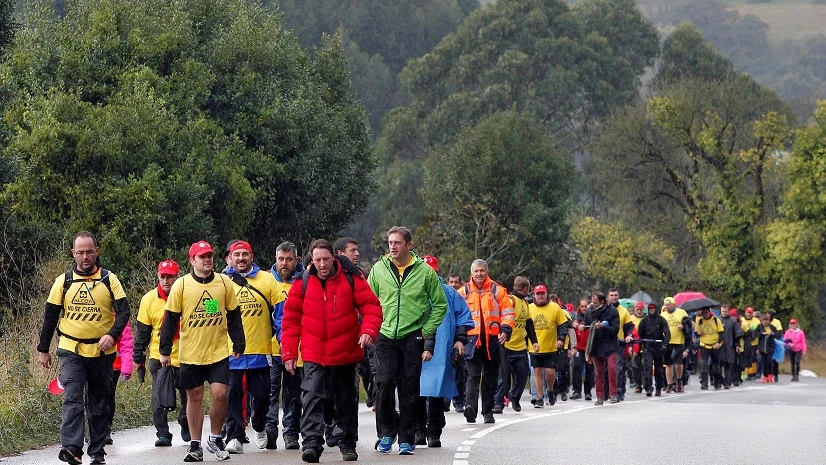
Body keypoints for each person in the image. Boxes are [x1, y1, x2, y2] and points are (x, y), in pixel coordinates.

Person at [281, 239, 383, 463]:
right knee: (312, 396)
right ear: (311, 260)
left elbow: (372, 307)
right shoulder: (302, 283)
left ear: (333, 258)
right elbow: (290, 322)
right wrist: (288, 353)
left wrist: (368, 331)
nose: (322, 264)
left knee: (345, 399)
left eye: (326, 259)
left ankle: (347, 443)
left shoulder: (351, 278)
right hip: (313, 352)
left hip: (345, 351)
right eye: (317, 260)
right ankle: (311, 443)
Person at [37, 231, 131, 465]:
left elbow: (124, 312)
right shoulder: (64, 281)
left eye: (89, 251)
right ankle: (72, 448)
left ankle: (97, 453)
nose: (85, 257)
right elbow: (50, 316)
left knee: (99, 403)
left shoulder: (110, 279)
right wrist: (43, 348)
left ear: (97, 251)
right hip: (71, 350)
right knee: (73, 398)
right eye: (80, 252)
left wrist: (112, 335)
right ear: (73, 253)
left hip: (102, 353)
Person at [159, 240, 246, 462]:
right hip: (191, 353)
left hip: (217, 351)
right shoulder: (182, 285)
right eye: (202, 256)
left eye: (209, 256)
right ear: (192, 261)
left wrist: (238, 342)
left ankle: (215, 438)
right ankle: (195, 445)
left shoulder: (223, 283)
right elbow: (170, 319)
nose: (207, 260)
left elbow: (233, 314)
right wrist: (165, 350)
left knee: (220, 394)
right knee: (194, 397)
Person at [367, 226, 447, 455]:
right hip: (385, 335)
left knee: (409, 388)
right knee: (383, 384)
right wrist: (371, 327)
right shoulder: (379, 269)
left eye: (397, 243)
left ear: (408, 245)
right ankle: (387, 432)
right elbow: (369, 301)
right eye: (390, 242)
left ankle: (406, 438)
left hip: (412, 336)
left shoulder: (424, 271)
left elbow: (440, 304)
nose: (392, 246)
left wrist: (426, 330)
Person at [223, 241, 283, 454]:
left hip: (261, 350)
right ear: (230, 257)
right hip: (231, 352)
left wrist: (283, 337)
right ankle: (234, 437)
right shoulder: (221, 282)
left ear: (252, 256)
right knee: (233, 395)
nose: (241, 258)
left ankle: (259, 427)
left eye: (245, 254)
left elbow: (280, 312)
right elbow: (213, 312)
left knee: (262, 394)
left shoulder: (267, 279)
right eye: (236, 254)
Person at [416, 255, 473, 448]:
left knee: (436, 391)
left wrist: (460, 340)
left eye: (431, 270)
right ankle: (418, 429)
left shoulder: (449, 293)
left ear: (436, 271)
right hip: (415, 347)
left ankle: (434, 431)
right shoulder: (412, 291)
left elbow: (462, 317)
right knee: (414, 389)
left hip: (442, 348)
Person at [133, 259, 189, 447]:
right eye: (163, 277)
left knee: (188, 395)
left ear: (177, 277)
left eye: (170, 277)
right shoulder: (148, 299)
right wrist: (138, 357)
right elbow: (142, 331)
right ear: (158, 276)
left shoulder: (188, 295)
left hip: (186, 355)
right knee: (158, 396)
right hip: (159, 356)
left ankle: (186, 423)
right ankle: (163, 433)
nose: (166, 281)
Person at [459, 259, 514, 423]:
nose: (479, 274)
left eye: (482, 270)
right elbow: (458, 315)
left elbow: (508, 312)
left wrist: (506, 329)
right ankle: (470, 408)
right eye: (476, 271)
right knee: (473, 375)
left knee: (490, 376)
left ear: (487, 272)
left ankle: (487, 411)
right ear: (471, 273)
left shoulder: (498, 290)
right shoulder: (464, 292)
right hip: (471, 340)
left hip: (493, 339)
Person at [270, 241, 305, 450]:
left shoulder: (304, 282)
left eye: (289, 259)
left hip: (297, 350)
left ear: (296, 260)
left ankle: (291, 433)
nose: (284, 263)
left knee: (293, 394)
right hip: (271, 349)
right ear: (276, 259)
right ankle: (269, 429)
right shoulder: (266, 281)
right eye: (281, 259)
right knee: (270, 391)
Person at [494, 276, 536, 412]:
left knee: (523, 374)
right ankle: (498, 403)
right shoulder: (511, 300)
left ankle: (514, 397)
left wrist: (534, 341)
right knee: (503, 377)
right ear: (526, 288)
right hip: (506, 345)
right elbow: (501, 317)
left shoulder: (525, 303)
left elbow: (529, 324)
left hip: (521, 347)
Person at [527, 285, 570, 407]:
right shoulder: (529, 308)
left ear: (546, 294)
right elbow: (524, 326)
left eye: (542, 293)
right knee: (537, 370)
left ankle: (550, 390)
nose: (540, 296)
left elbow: (563, 325)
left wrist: (561, 339)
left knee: (550, 372)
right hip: (534, 347)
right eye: (538, 293)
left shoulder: (555, 308)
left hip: (551, 346)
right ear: (534, 295)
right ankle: (540, 397)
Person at [582, 293, 620, 405]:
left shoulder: (612, 311)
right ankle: (600, 396)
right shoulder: (589, 312)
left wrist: (604, 327)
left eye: (595, 303)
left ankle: (613, 394)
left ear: (602, 302)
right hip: (596, 345)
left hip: (610, 344)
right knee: (598, 372)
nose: (592, 305)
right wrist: (581, 325)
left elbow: (615, 329)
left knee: (611, 368)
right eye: (592, 302)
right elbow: (586, 322)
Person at [637, 302, 669, 396]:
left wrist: (664, 345)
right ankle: (648, 387)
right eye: (650, 308)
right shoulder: (644, 320)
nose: (652, 310)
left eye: (653, 308)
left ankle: (658, 387)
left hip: (658, 346)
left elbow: (667, 333)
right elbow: (640, 333)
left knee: (659, 368)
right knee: (648, 367)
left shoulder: (661, 320)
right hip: (648, 346)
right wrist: (643, 344)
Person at [608, 289, 633, 401]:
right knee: (607, 368)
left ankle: (619, 390)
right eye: (612, 295)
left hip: (619, 342)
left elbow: (629, 326)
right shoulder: (605, 310)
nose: (614, 297)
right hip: (606, 342)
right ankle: (607, 391)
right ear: (608, 297)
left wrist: (629, 335)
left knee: (619, 368)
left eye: (616, 295)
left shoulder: (623, 311)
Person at [661, 297, 690, 393]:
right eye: (665, 305)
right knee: (668, 364)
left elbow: (689, 325)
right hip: (667, 342)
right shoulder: (663, 315)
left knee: (678, 364)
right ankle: (669, 384)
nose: (667, 307)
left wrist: (683, 326)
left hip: (678, 342)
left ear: (674, 305)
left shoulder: (682, 313)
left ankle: (678, 380)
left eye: (668, 305)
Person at [695, 307, 724, 390]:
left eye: (706, 313)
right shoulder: (700, 321)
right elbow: (696, 333)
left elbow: (721, 333)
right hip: (704, 345)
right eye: (703, 313)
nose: (705, 314)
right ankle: (704, 383)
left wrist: (719, 343)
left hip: (714, 345)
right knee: (703, 364)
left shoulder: (715, 320)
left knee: (715, 365)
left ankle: (716, 382)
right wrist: (698, 333)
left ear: (709, 312)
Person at [570, 299, 594, 401]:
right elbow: (571, 332)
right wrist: (573, 346)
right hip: (578, 347)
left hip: (589, 348)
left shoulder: (592, 316)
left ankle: (588, 392)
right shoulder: (575, 317)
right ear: (579, 307)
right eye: (582, 306)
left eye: (586, 306)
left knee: (589, 369)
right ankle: (577, 391)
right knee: (576, 367)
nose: (584, 308)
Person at [718, 305, 744, 389]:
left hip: (729, 346)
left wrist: (738, 345)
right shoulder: (717, 320)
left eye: (726, 311)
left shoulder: (733, 322)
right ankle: (719, 381)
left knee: (728, 365)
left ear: (728, 311)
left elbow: (738, 334)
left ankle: (727, 382)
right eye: (723, 311)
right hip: (718, 346)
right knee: (716, 365)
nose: (724, 313)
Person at [628, 302, 646, 394]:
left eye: (641, 310)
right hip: (634, 344)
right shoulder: (631, 319)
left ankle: (646, 384)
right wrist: (630, 346)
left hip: (645, 344)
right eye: (637, 310)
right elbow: (629, 332)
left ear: (644, 309)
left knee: (645, 364)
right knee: (635, 366)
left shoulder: (646, 318)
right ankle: (638, 385)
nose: (639, 311)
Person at [741, 307, 760, 380]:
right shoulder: (742, 320)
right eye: (748, 313)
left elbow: (759, 331)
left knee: (753, 358)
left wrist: (754, 335)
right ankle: (747, 373)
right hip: (745, 342)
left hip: (754, 343)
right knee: (746, 358)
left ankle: (753, 373)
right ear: (745, 313)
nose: (749, 314)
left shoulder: (757, 321)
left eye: (750, 313)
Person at [756, 314, 777, 383]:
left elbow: (778, 335)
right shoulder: (759, 327)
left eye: (766, 320)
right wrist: (762, 334)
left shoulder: (772, 327)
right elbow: (754, 334)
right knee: (763, 362)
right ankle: (765, 375)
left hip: (770, 347)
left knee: (769, 361)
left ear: (769, 320)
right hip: (762, 347)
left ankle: (770, 375)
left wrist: (772, 333)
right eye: (763, 320)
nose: (765, 322)